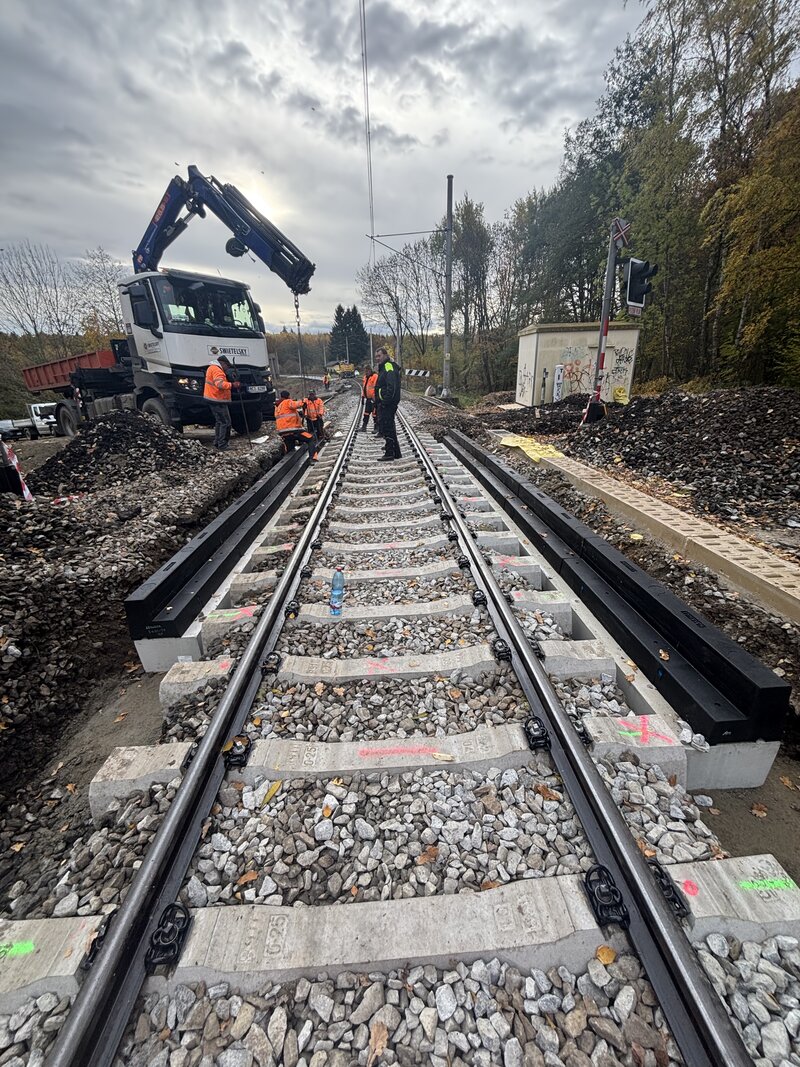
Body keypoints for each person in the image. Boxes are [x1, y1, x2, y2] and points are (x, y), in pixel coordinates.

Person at [204, 353, 238, 451]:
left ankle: (217, 443)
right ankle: (223, 445)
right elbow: (219, 384)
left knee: (219, 422)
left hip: (213, 398)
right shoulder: (217, 370)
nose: (227, 368)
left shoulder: (212, 368)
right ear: (223, 363)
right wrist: (232, 385)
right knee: (225, 422)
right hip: (217, 399)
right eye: (227, 366)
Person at [274, 390, 317, 460]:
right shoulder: (287, 401)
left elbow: (284, 414)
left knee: (290, 449)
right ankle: (313, 458)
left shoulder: (277, 406)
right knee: (311, 439)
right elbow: (296, 404)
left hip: (283, 432)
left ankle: (288, 464)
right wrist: (304, 401)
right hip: (293, 430)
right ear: (288, 396)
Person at [376, 347, 402, 460]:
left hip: (388, 403)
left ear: (386, 355)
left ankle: (389, 453)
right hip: (387, 402)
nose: (377, 358)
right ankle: (396, 452)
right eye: (376, 356)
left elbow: (391, 386)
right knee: (389, 425)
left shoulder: (388, 366)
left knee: (387, 426)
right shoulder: (384, 367)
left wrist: (385, 401)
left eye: (379, 356)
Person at [360, 365, 378, 432]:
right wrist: (363, 396)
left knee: (375, 414)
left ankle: (376, 427)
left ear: (370, 370)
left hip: (373, 399)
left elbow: (376, 387)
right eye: (365, 371)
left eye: (367, 371)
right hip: (368, 399)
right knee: (366, 413)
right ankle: (364, 427)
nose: (366, 372)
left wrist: (375, 397)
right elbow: (364, 387)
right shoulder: (365, 377)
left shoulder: (375, 376)